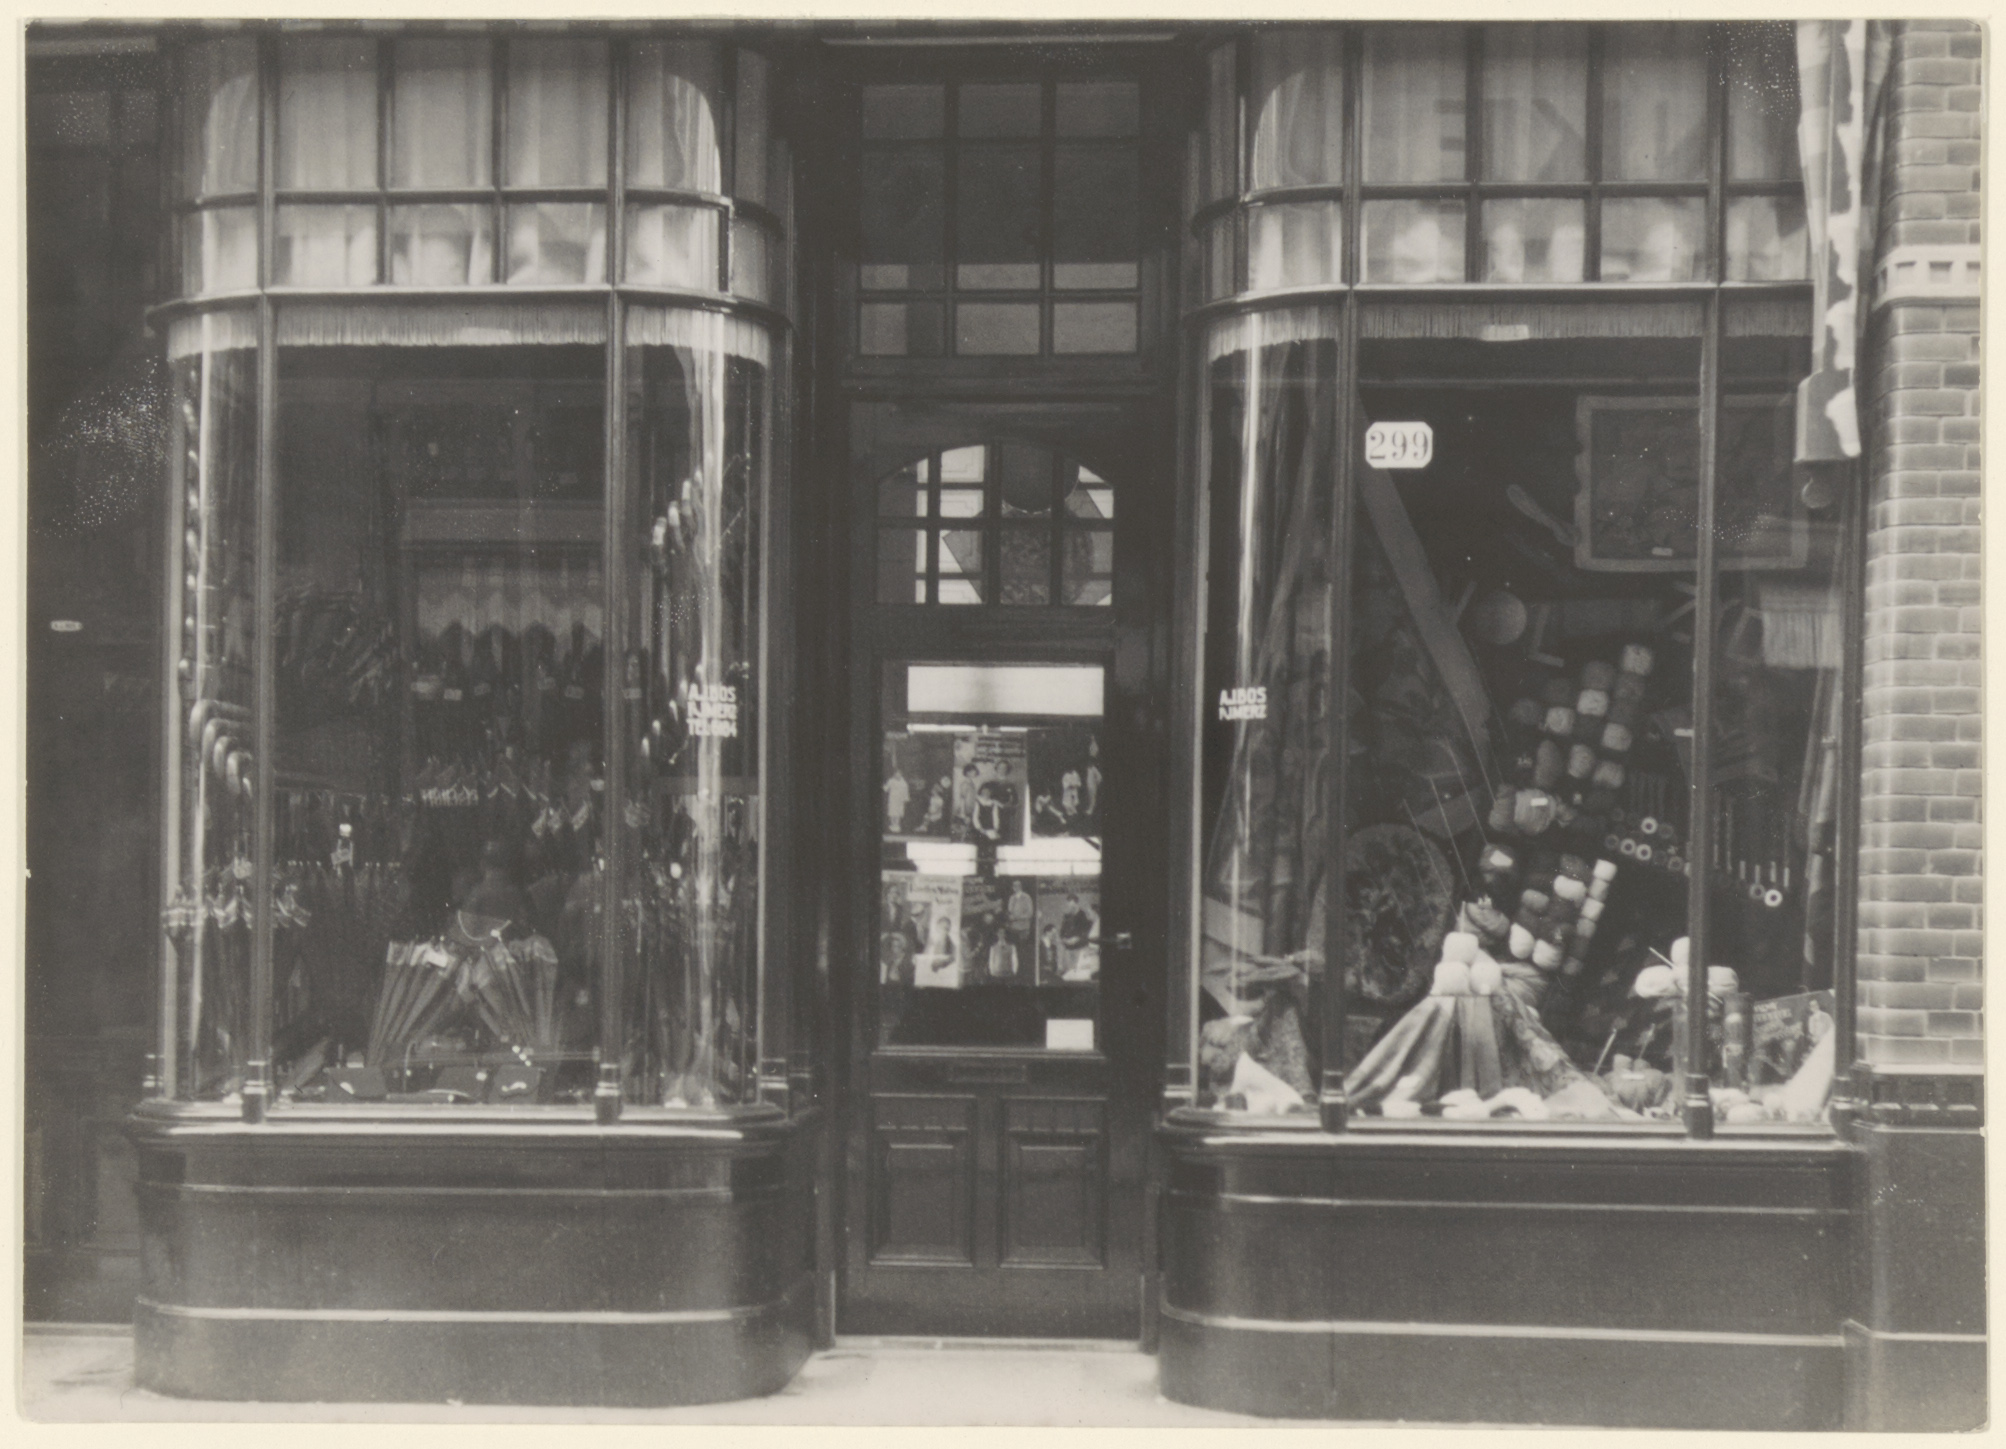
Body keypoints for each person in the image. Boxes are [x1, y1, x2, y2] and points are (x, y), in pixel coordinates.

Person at [883, 764, 910, 833]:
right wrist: (883, 786)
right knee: (892, 812)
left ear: (901, 774)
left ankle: (897, 825)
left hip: (900, 800)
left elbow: (906, 792)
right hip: (892, 799)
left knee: (898, 813)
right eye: (896, 773)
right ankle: (892, 825)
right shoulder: (891, 781)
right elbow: (886, 789)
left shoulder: (904, 783)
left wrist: (905, 799)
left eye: (899, 774)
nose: (898, 775)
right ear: (894, 774)